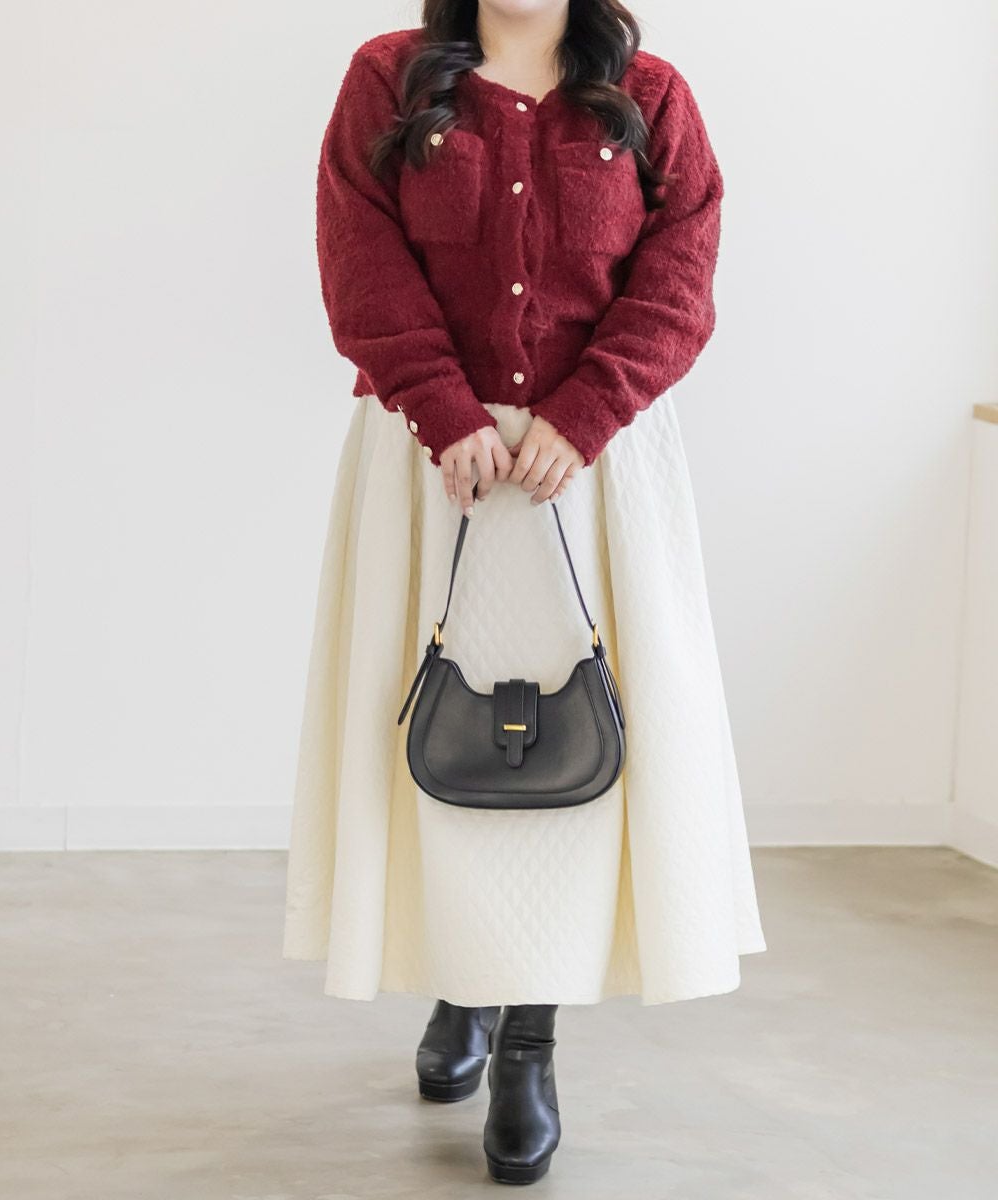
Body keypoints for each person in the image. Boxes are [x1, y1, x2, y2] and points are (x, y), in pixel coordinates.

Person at [283, 0, 766, 1185]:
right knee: (438, 744)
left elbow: (680, 276)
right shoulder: (391, 79)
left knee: (573, 764)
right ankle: (463, 985)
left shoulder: (650, 97)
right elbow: (358, 252)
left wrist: (585, 412)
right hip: (429, 464)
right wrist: (442, 409)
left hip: (590, 477)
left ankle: (528, 1047)